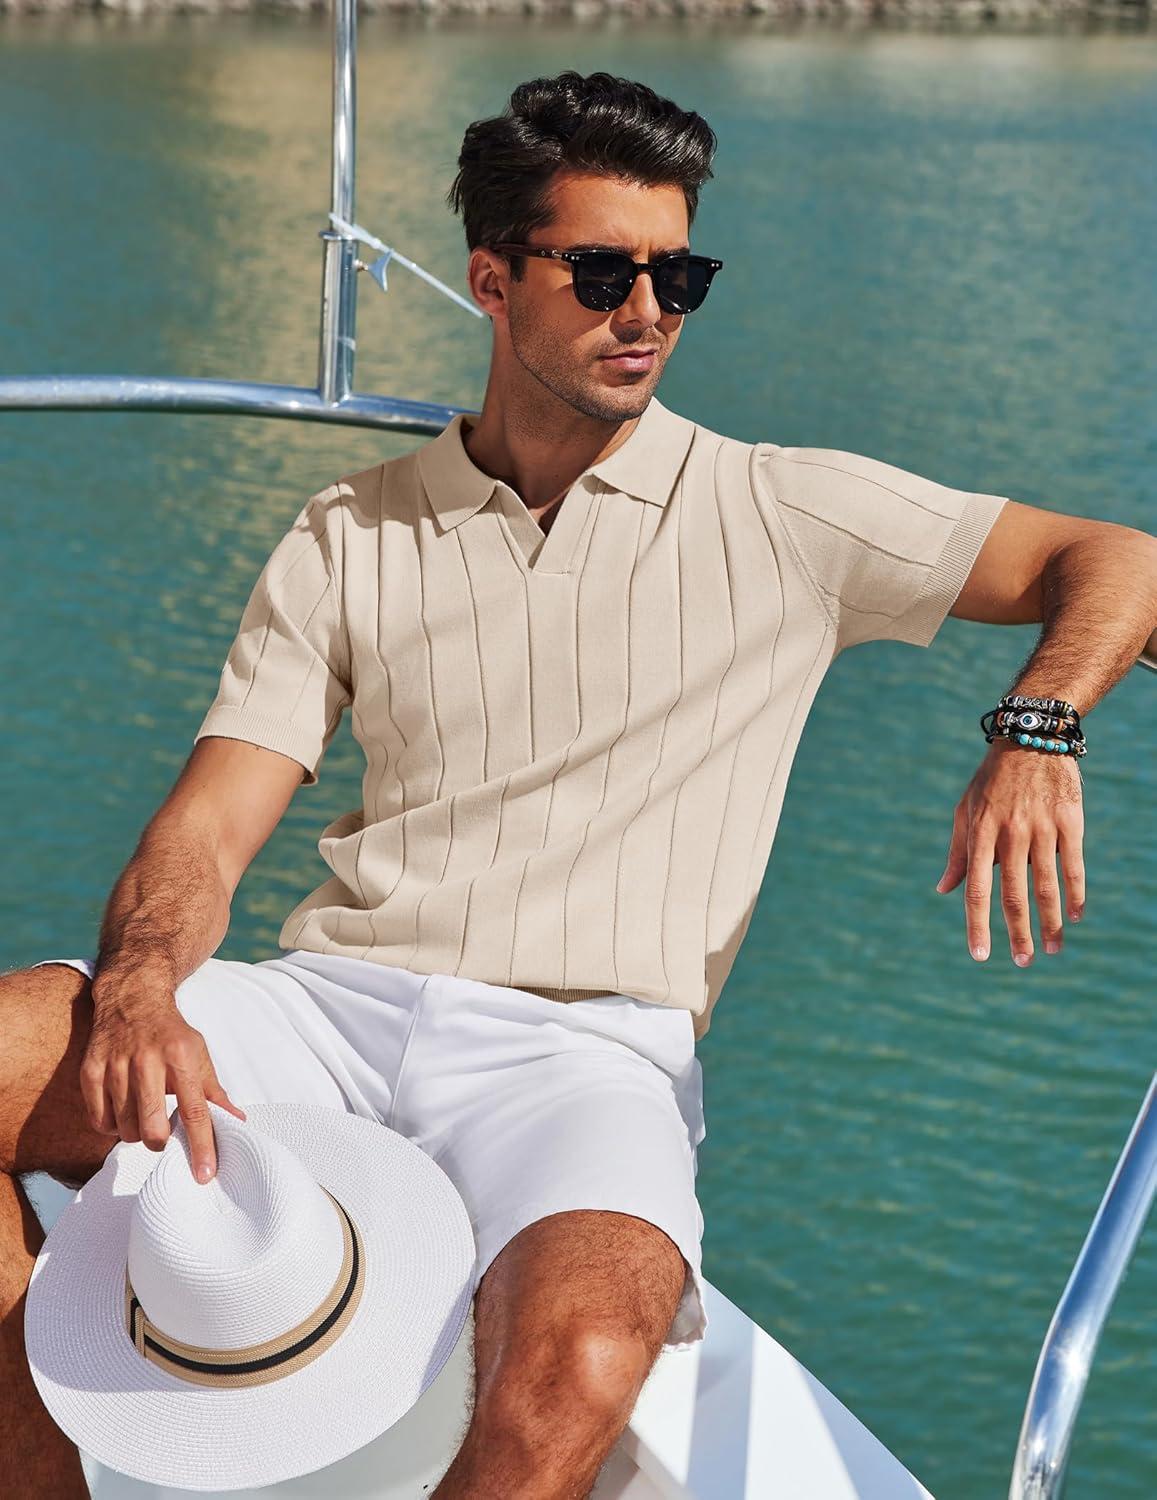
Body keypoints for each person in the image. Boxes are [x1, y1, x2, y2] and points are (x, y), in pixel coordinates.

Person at [3, 69, 1154, 1500]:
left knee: (586, 1363)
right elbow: (210, 823)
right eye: (604, 272)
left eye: (682, 276)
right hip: (330, 1009)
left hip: (584, 1055)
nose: (649, 310)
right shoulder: (352, 529)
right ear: (492, 280)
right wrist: (139, 989)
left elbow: (1114, 559)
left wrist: (1036, 729)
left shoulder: (780, 510)